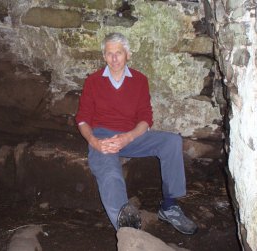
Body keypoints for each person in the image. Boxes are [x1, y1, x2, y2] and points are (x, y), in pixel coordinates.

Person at [75, 32, 197, 235]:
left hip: (132, 135)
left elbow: (145, 118)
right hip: (103, 135)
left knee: (172, 141)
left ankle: (169, 206)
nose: (114, 58)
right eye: (109, 53)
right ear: (104, 56)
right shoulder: (93, 81)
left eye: (119, 53)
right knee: (111, 174)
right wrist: (93, 141)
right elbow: (83, 118)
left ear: (128, 55)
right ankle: (127, 231)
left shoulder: (139, 80)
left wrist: (128, 137)